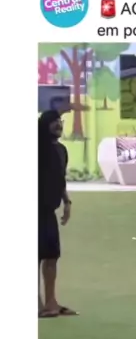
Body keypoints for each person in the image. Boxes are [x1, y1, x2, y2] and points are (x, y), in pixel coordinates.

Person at [38, 110, 77, 318]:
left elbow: (60, 179)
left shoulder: (61, 151)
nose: (59, 125)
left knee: (51, 256)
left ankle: (51, 301)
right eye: (54, 122)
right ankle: (37, 304)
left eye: (60, 121)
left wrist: (67, 202)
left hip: (49, 212)